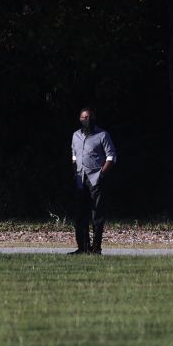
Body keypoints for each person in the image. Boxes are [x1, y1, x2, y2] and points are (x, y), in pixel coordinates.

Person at [70, 106, 116, 254]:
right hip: (80, 179)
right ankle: (82, 248)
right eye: (84, 118)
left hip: (96, 179)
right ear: (80, 119)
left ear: (93, 118)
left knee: (97, 215)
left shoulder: (102, 135)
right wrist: (74, 171)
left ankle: (96, 249)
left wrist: (102, 174)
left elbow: (111, 156)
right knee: (80, 215)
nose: (87, 120)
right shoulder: (75, 135)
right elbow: (74, 156)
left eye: (89, 117)